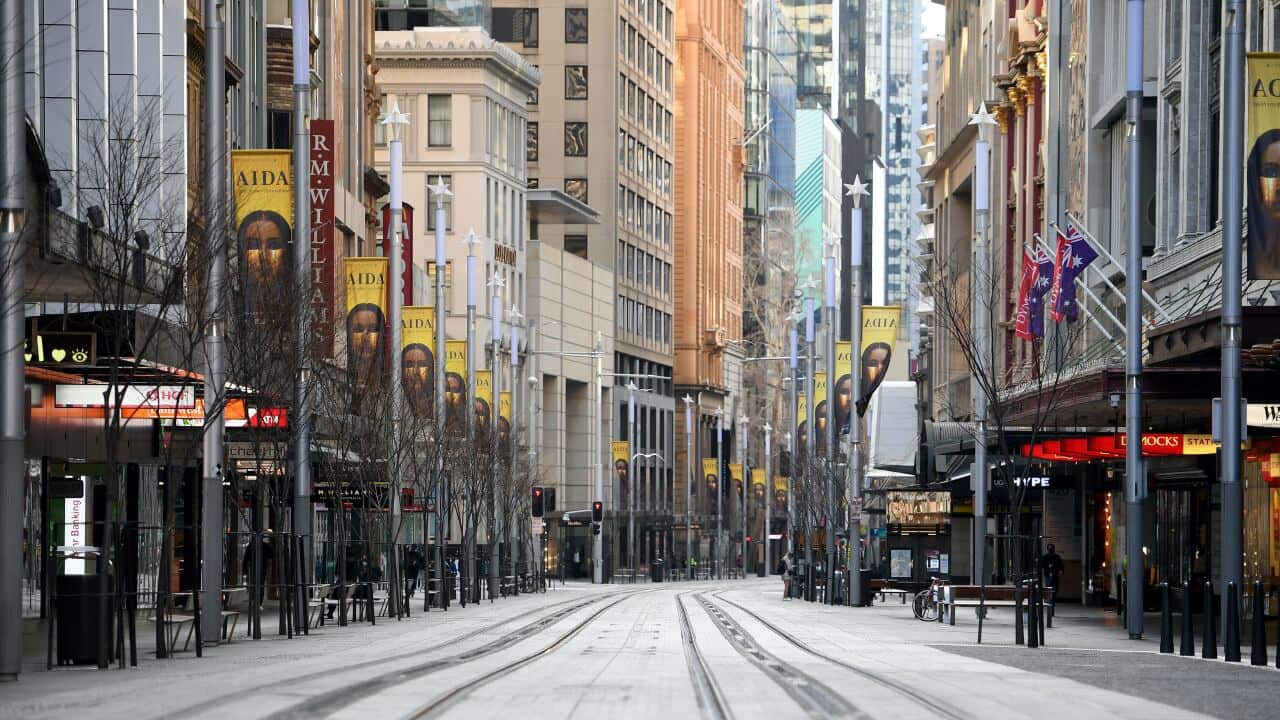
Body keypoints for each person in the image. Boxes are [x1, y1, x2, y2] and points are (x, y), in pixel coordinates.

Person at [1040, 543, 1064, 609]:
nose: (1050, 550)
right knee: (1050, 590)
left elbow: (1061, 566)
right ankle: (1050, 604)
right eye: (1050, 548)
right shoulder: (1046, 557)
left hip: (1053, 576)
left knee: (1053, 590)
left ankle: (1051, 604)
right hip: (1049, 575)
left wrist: (1060, 570)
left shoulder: (1056, 557)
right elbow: (1042, 566)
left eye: (1051, 548)